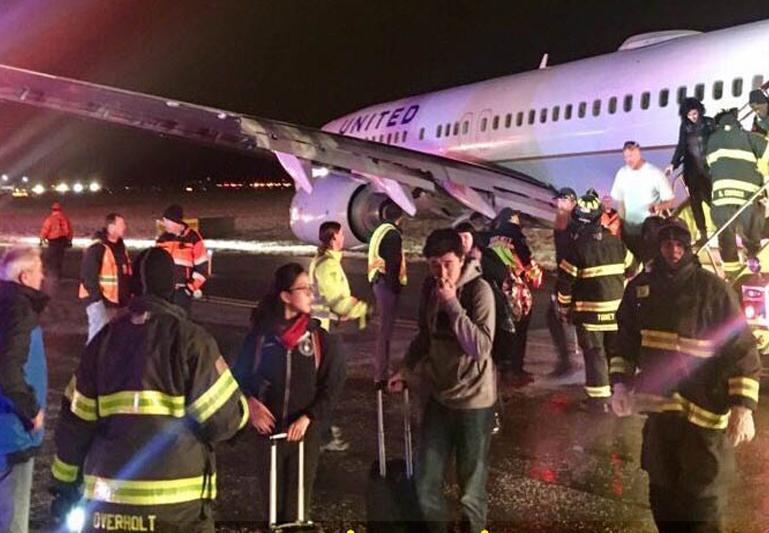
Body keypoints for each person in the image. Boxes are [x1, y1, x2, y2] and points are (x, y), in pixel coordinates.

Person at [51, 247, 248, 533]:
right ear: (172, 287)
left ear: (133, 289)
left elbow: (74, 425)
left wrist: (64, 487)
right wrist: (243, 413)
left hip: (107, 510)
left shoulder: (103, 342)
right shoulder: (192, 341)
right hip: (177, 511)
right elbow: (224, 421)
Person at [610, 218, 760, 532]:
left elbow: (742, 348)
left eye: (680, 243)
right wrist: (620, 386)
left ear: (688, 246)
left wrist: (742, 408)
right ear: (658, 246)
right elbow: (623, 340)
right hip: (660, 420)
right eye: (667, 243)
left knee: (701, 507)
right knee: (663, 499)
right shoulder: (640, 290)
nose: (673, 250)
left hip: (703, 420)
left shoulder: (712, 289)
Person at [388, 229, 496, 533]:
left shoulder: (479, 291)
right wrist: (406, 369)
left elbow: (481, 347)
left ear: (461, 259)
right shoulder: (429, 289)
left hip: (475, 402)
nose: (441, 271)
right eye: (434, 264)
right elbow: (425, 336)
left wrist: (452, 303)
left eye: (447, 263)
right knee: (425, 483)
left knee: (470, 492)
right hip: (439, 397)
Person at [233, 263, 345, 526]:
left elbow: (332, 386)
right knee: (272, 510)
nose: (311, 294)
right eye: (304, 289)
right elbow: (237, 378)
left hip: (304, 437)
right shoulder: (260, 338)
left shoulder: (321, 341)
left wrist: (308, 418)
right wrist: (251, 405)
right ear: (285, 296)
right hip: (267, 436)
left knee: (297, 513)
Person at [557, 195, 632, 413]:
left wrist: (563, 307)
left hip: (589, 316)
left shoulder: (576, 247)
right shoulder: (616, 243)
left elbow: (565, 283)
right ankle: (617, 395)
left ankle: (599, 402)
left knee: (595, 355)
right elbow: (633, 267)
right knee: (613, 354)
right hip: (616, 313)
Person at [308, 221, 369, 452]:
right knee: (332, 380)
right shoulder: (328, 266)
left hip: (325, 326)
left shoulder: (326, 262)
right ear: (333, 238)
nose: (344, 237)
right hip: (324, 330)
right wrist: (362, 309)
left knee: (325, 381)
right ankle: (322, 434)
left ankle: (322, 431)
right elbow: (338, 301)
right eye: (342, 234)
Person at [0, 247, 47, 533]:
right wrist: (32, 412)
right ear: (26, 275)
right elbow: (8, 371)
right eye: (40, 271)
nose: (43, 277)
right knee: (13, 520)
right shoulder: (20, 311)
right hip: (14, 433)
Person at [705, 108, 769, 277]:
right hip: (748, 199)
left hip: (721, 201)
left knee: (726, 240)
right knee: (752, 238)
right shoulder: (750, 137)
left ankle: (732, 279)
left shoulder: (711, 140)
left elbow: (710, 164)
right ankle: (753, 271)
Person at [488, 208, 542, 384]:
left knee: (497, 329)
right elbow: (529, 267)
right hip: (513, 291)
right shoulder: (516, 237)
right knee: (519, 330)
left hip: (491, 289)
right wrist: (536, 274)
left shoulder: (490, 237)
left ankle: (498, 367)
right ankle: (516, 370)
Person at [610, 141, 676, 262]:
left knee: (649, 267)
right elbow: (620, 202)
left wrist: (658, 206)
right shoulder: (622, 173)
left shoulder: (655, 173)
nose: (628, 160)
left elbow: (671, 200)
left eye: (631, 156)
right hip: (628, 232)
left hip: (649, 232)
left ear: (639, 154)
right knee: (631, 268)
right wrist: (620, 224)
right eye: (626, 157)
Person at [665, 98, 716, 245]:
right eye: (689, 115)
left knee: (710, 200)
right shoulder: (685, 127)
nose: (692, 117)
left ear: (699, 111)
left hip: (707, 169)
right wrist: (673, 164)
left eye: (694, 113)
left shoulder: (709, 122)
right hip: (692, 170)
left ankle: (725, 226)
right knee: (695, 203)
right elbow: (681, 146)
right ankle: (703, 234)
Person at [367, 207, 407, 385]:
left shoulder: (380, 230)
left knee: (384, 331)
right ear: (401, 216)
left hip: (378, 282)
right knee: (385, 332)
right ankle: (381, 375)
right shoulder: (393, 235)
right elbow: (393, 263)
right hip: (386, 284)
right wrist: (396, 286)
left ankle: (382, 370)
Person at [78, 213, 131, 343]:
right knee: (98, 337)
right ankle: (92, 362)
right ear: (111, 227)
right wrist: (97, 300)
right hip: (101, 301)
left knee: (113, 338)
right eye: (121, 224)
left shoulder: (120, 247)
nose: (125, 227)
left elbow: (125, 273)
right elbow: (88, 276)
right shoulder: (97, 247)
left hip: (117, 302)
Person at [547, 188, 579, 376]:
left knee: (576, 319)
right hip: (564, 276)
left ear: (572, 202)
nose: (558, 204)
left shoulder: (576, 223)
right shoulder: (561, 220)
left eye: (562, 201)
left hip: (574, 277)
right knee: (553, 317)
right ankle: (565, 361)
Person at [156, 204, 209, 313]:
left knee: (180, 324)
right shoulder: (162, 238)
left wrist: (189, 289)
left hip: (182, 293)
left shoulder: (193, 238)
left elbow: (203, 267)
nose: (164, 224)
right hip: (163, 292)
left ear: (175, 222)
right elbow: (155, 264)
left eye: (166, 221)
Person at [39, 201, 73, 284]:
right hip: (63, 240)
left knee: (49, 257)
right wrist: (69, 240)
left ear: (52, 209)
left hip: (53, 241)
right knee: (59, 258)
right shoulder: (65, 218)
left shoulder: (50, 219)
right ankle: (57, 275)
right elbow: (70, 230)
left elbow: (45, 229)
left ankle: (46, 273)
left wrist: (42, 239)